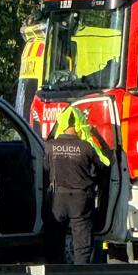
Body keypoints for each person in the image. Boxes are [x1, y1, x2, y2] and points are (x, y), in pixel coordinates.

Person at [44, 106, 109, 263]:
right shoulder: (86, 147)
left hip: (57, 199)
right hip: (80, 200)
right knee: (82, 245)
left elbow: (45, 170)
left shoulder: (50, 146)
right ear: (80, 124)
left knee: (55, 243)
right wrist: (97, 137)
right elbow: (102, 168)